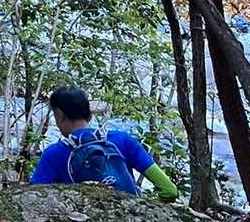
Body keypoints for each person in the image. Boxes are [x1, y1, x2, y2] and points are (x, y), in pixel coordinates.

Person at [29, 85, 179, 200]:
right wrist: (145, 207)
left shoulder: (53, 154)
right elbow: (170, 191)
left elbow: (34, 200)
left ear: (59, 114)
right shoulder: (123, 140)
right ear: (89, 115)